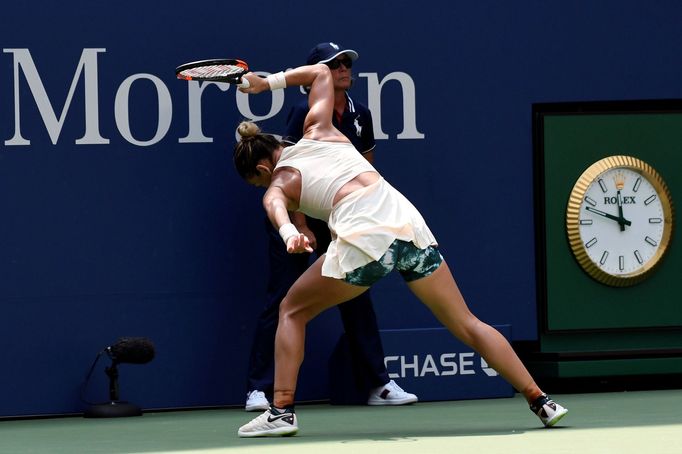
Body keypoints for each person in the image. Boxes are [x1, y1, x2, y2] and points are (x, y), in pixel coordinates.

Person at [233, 62, 568, 438]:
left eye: (257, 183)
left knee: (291, 310)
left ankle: (281, 411)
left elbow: (275, 207)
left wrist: (287, 233)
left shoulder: (280, 181)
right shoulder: (320, 128)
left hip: (365, 239)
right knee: (466, 322)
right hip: (407, 226)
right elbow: (322, 74)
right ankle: (541, 400)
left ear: (263, 169)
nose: (263, 187)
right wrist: (268, 83)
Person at [244, 42, 417, 412]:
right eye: (334, 65)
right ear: (315, 77)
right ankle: (260, 389)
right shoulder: (302, 113)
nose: (343, 69)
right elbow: (293, 172)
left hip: (345, 215)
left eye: (346, 63)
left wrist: (356, 221)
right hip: (300, 213)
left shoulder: (361, 114)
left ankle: (377, 384)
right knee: (283, 298)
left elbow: (367, 167)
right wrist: (300, 227)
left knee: (357, 295)